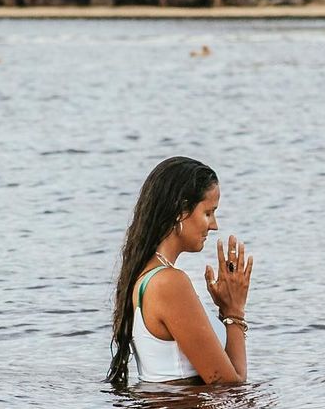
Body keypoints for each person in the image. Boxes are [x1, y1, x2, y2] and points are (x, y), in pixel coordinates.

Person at [108, 156, 253, 388]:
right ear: (180, 210)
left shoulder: (146, 275)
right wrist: (235, 312)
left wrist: (225, 310)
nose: (214, 225)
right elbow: (228, 386)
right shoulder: (169, 283)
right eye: (208, 213)